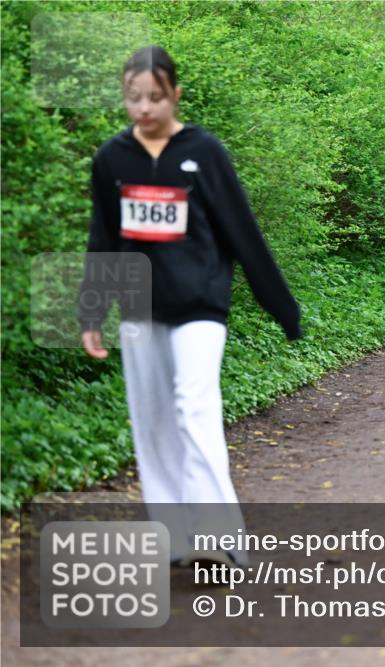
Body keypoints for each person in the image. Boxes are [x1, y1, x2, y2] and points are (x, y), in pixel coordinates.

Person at [79, 46, 302, 568]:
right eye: (134, 98)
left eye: (155, 97)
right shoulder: (112, 159)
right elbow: (103, 237)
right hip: (138, 308)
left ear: (175, 94)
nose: (145, 108)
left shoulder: (204, 151)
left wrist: (281, 307)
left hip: (200, 305)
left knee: (193, 409)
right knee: (153, 423)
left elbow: (242, 232)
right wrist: (92, 312)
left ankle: (220, 539)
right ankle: (176, 538)